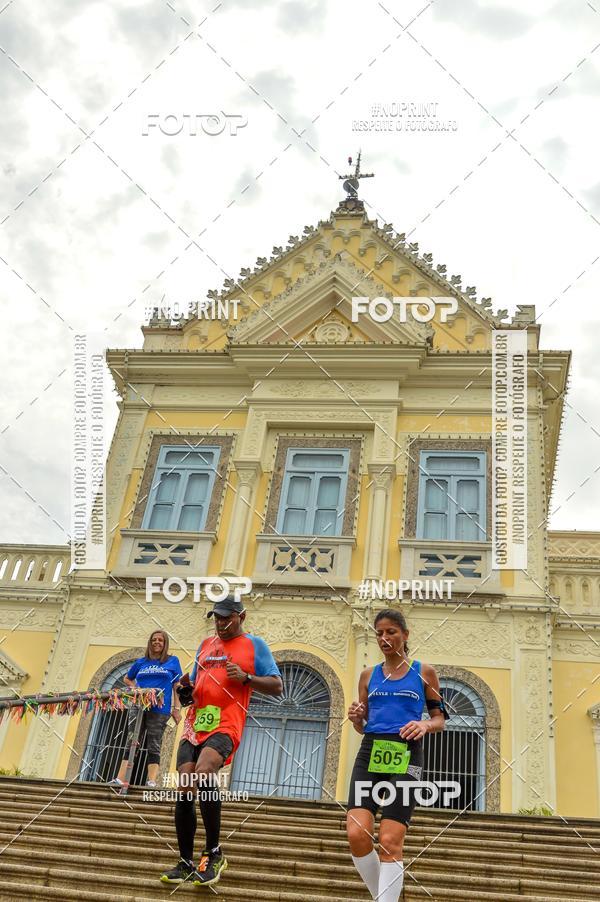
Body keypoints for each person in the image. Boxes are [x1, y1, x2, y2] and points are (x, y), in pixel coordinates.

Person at [160, 595, 283, 887]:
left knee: (204, 773)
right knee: (185, 785)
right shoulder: (205, 645)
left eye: (226, 618)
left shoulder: (255, 645)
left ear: (242, 616)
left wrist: (245, 677)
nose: (220, 624)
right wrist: (185, 690)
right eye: (216, 618)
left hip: (226, 722)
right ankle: (185, 862)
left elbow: (277, 686)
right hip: (196, 724)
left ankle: (214, 852)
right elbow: (192, 686)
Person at [346, 609, 447, 902]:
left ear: (405, 635)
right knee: (356, 833)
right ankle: (387, 896)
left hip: (406, 751)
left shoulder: (424, 672)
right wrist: (355, 718)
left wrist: (424, 724)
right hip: (371, 751)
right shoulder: (368, 675)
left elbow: (440, 719)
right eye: (379, 633)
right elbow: (362, 726)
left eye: (391, 632)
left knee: (390, 840)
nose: (384, 638)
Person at [109, 630, 182, 788]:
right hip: (138, 706)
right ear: (150, 642)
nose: (157, 642)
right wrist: (135, 688)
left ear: (165, 643)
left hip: (160, 709)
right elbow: (127, 678)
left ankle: (151, 781)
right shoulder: (141, 662)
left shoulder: (172, 661)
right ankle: (120, 778)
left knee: (154, 743)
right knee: (132, 741)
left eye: (160, 640)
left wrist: (177, 708)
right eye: (154, 640)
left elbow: (177, 685)